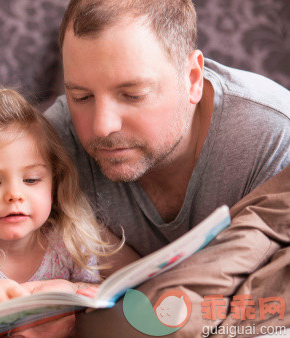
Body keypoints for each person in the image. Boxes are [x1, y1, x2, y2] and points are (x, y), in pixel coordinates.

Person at [45, 0, 290, 257]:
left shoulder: (274, 136)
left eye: (132, 95)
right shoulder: (53, 142)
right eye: (82, 97)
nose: (102, 127)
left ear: (192, 78)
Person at [0, 87, 138, 336]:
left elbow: (101, 287)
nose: (15, 195)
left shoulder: (67, 238)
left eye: (32, 179)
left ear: (53, 185)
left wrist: (69, 291)